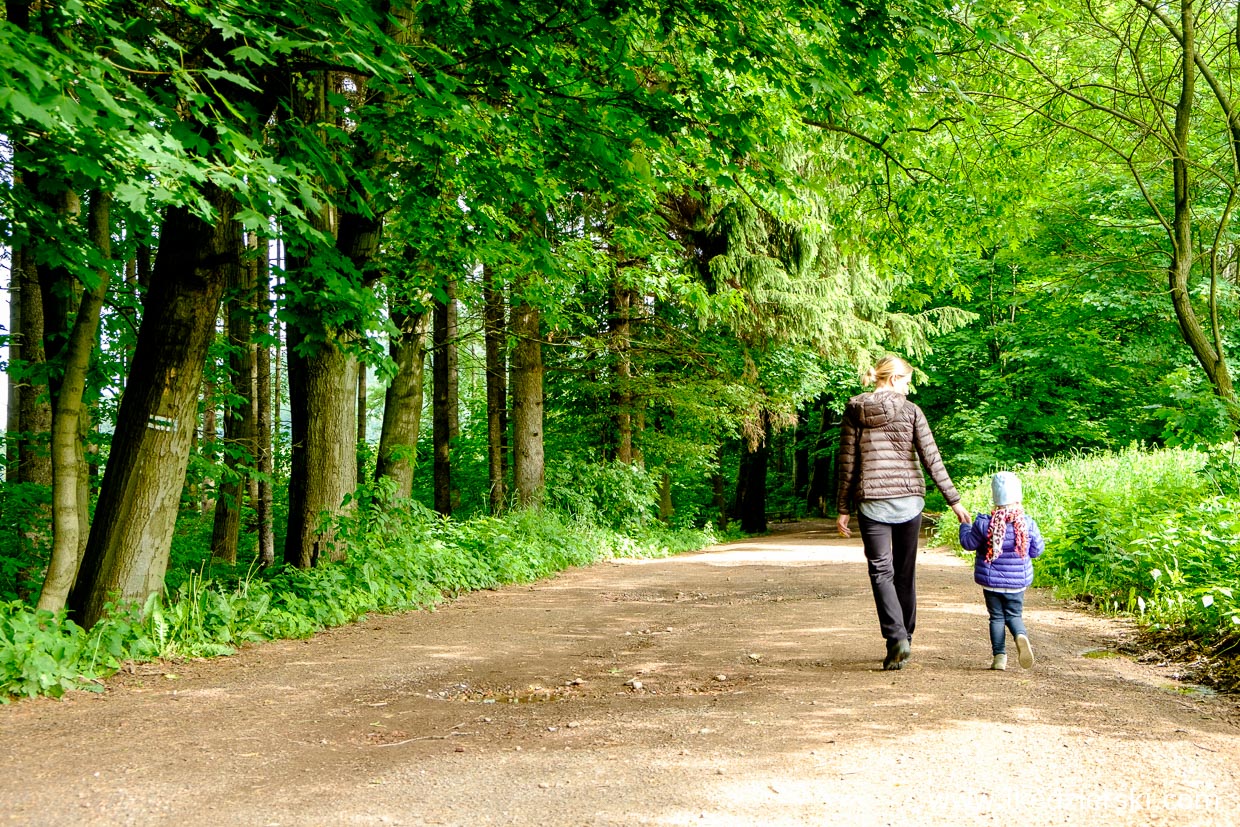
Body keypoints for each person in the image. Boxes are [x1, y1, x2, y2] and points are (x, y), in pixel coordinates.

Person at [836, 355, 971, 671]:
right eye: (908, 382)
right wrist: (955, 501)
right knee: (905, 573)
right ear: (895, 379)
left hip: (872, 501)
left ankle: (897, 638)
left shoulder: (855, 410)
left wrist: (843, 507)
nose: (909, 391)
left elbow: (847, 463)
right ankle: (904, 637)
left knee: (881, 572)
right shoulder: (911, 412)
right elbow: (931, 458)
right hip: (909, 501)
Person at [959, 471, 1045, 670]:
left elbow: (968, 543)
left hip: (991, 583)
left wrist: (965, 525)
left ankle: (999, 657)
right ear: (1018, 498)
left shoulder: (984, 524)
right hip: (1017, 583)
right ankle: (1020, 634)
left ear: (995, 498)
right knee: (1014, 615)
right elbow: (1036, 550)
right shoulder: (1027, 524)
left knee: (996, 617)